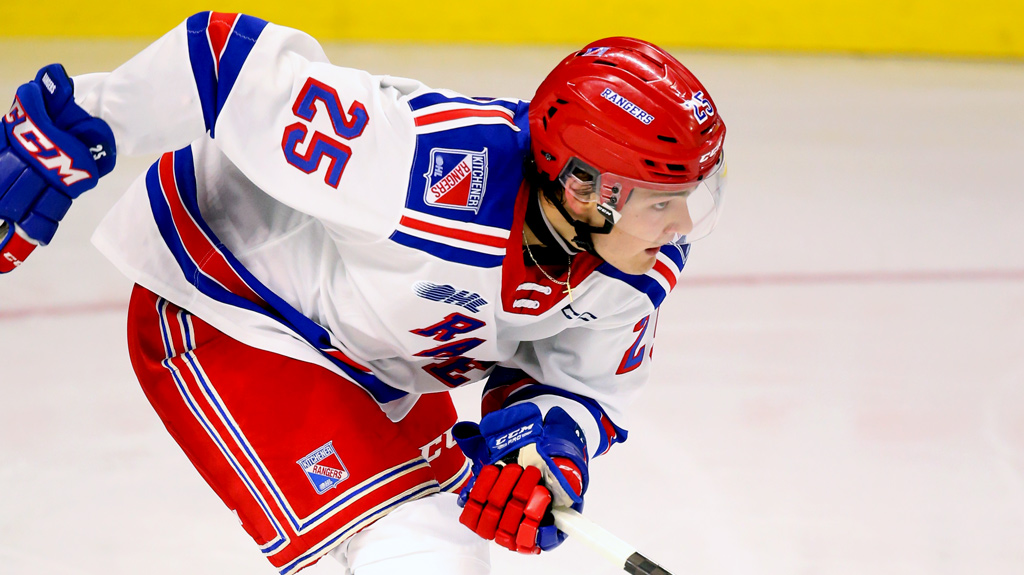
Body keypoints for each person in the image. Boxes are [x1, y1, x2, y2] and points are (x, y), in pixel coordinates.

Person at [0, 11, 726, 575]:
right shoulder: (419, 167)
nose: (683, 223)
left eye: (693, 194)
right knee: (420, 548)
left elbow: (578, 382)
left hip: (375, 360)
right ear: (581, 187)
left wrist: (542, 446)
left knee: (444, 548)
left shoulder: (634, 262)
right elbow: (225, 62)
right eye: (661, 199)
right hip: (227, 307)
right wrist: (67, 127)